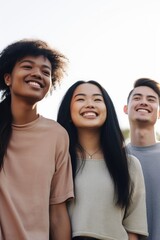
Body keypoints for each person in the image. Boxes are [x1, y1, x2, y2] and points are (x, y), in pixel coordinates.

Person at [0, 39, 74, 240]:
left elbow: (58, 214)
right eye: (27, 66)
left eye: (46, 72)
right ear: (8, 78)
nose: (37, 74)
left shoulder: (56, 135)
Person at [57, 80, 148, 240]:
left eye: (97, 99)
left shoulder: (129, 164)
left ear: (108, 110)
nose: (90, 104)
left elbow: (134, 228)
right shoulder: (59, 161)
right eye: (80, 99)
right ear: (68, 111)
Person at [123, 78, 160, 240]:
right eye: (137, 98)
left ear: (159, 113)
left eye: (151, 99)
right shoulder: (115, 159)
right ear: (126, 108)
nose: (144, 102)